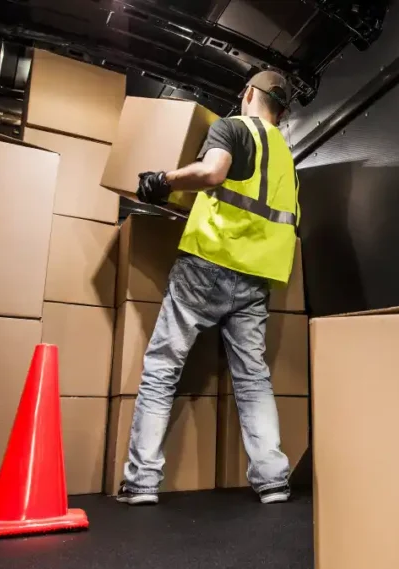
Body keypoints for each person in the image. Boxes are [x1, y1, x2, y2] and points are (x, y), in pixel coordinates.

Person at [116, 71, 301, 506]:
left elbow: (214, 173)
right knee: (253, 378)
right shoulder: (287, 159)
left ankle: (142, 482)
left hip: (207, 263)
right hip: (257, 278)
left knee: (163, 366)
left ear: (250, 94)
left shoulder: (234, 126)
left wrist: (162, 181)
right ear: (283, 109)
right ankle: (273, 479)